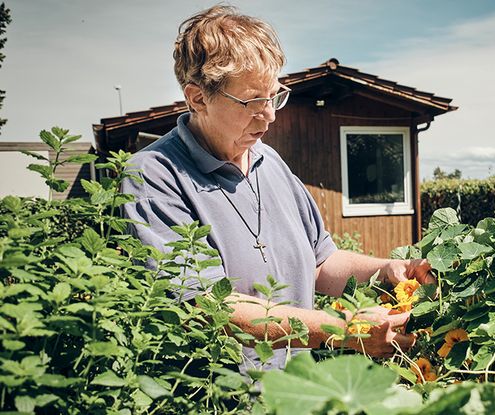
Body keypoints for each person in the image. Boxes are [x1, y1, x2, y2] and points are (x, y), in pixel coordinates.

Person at [121, 5, 435, 371]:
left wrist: (387, 270)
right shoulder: (155, 176)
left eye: (273, 96)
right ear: (197, 98)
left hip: (296, 392)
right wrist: (344, 329)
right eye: (252, 102)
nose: (269, 115)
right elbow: (207, 306)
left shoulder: (269, 161)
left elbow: (321, 262)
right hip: (222, 400)